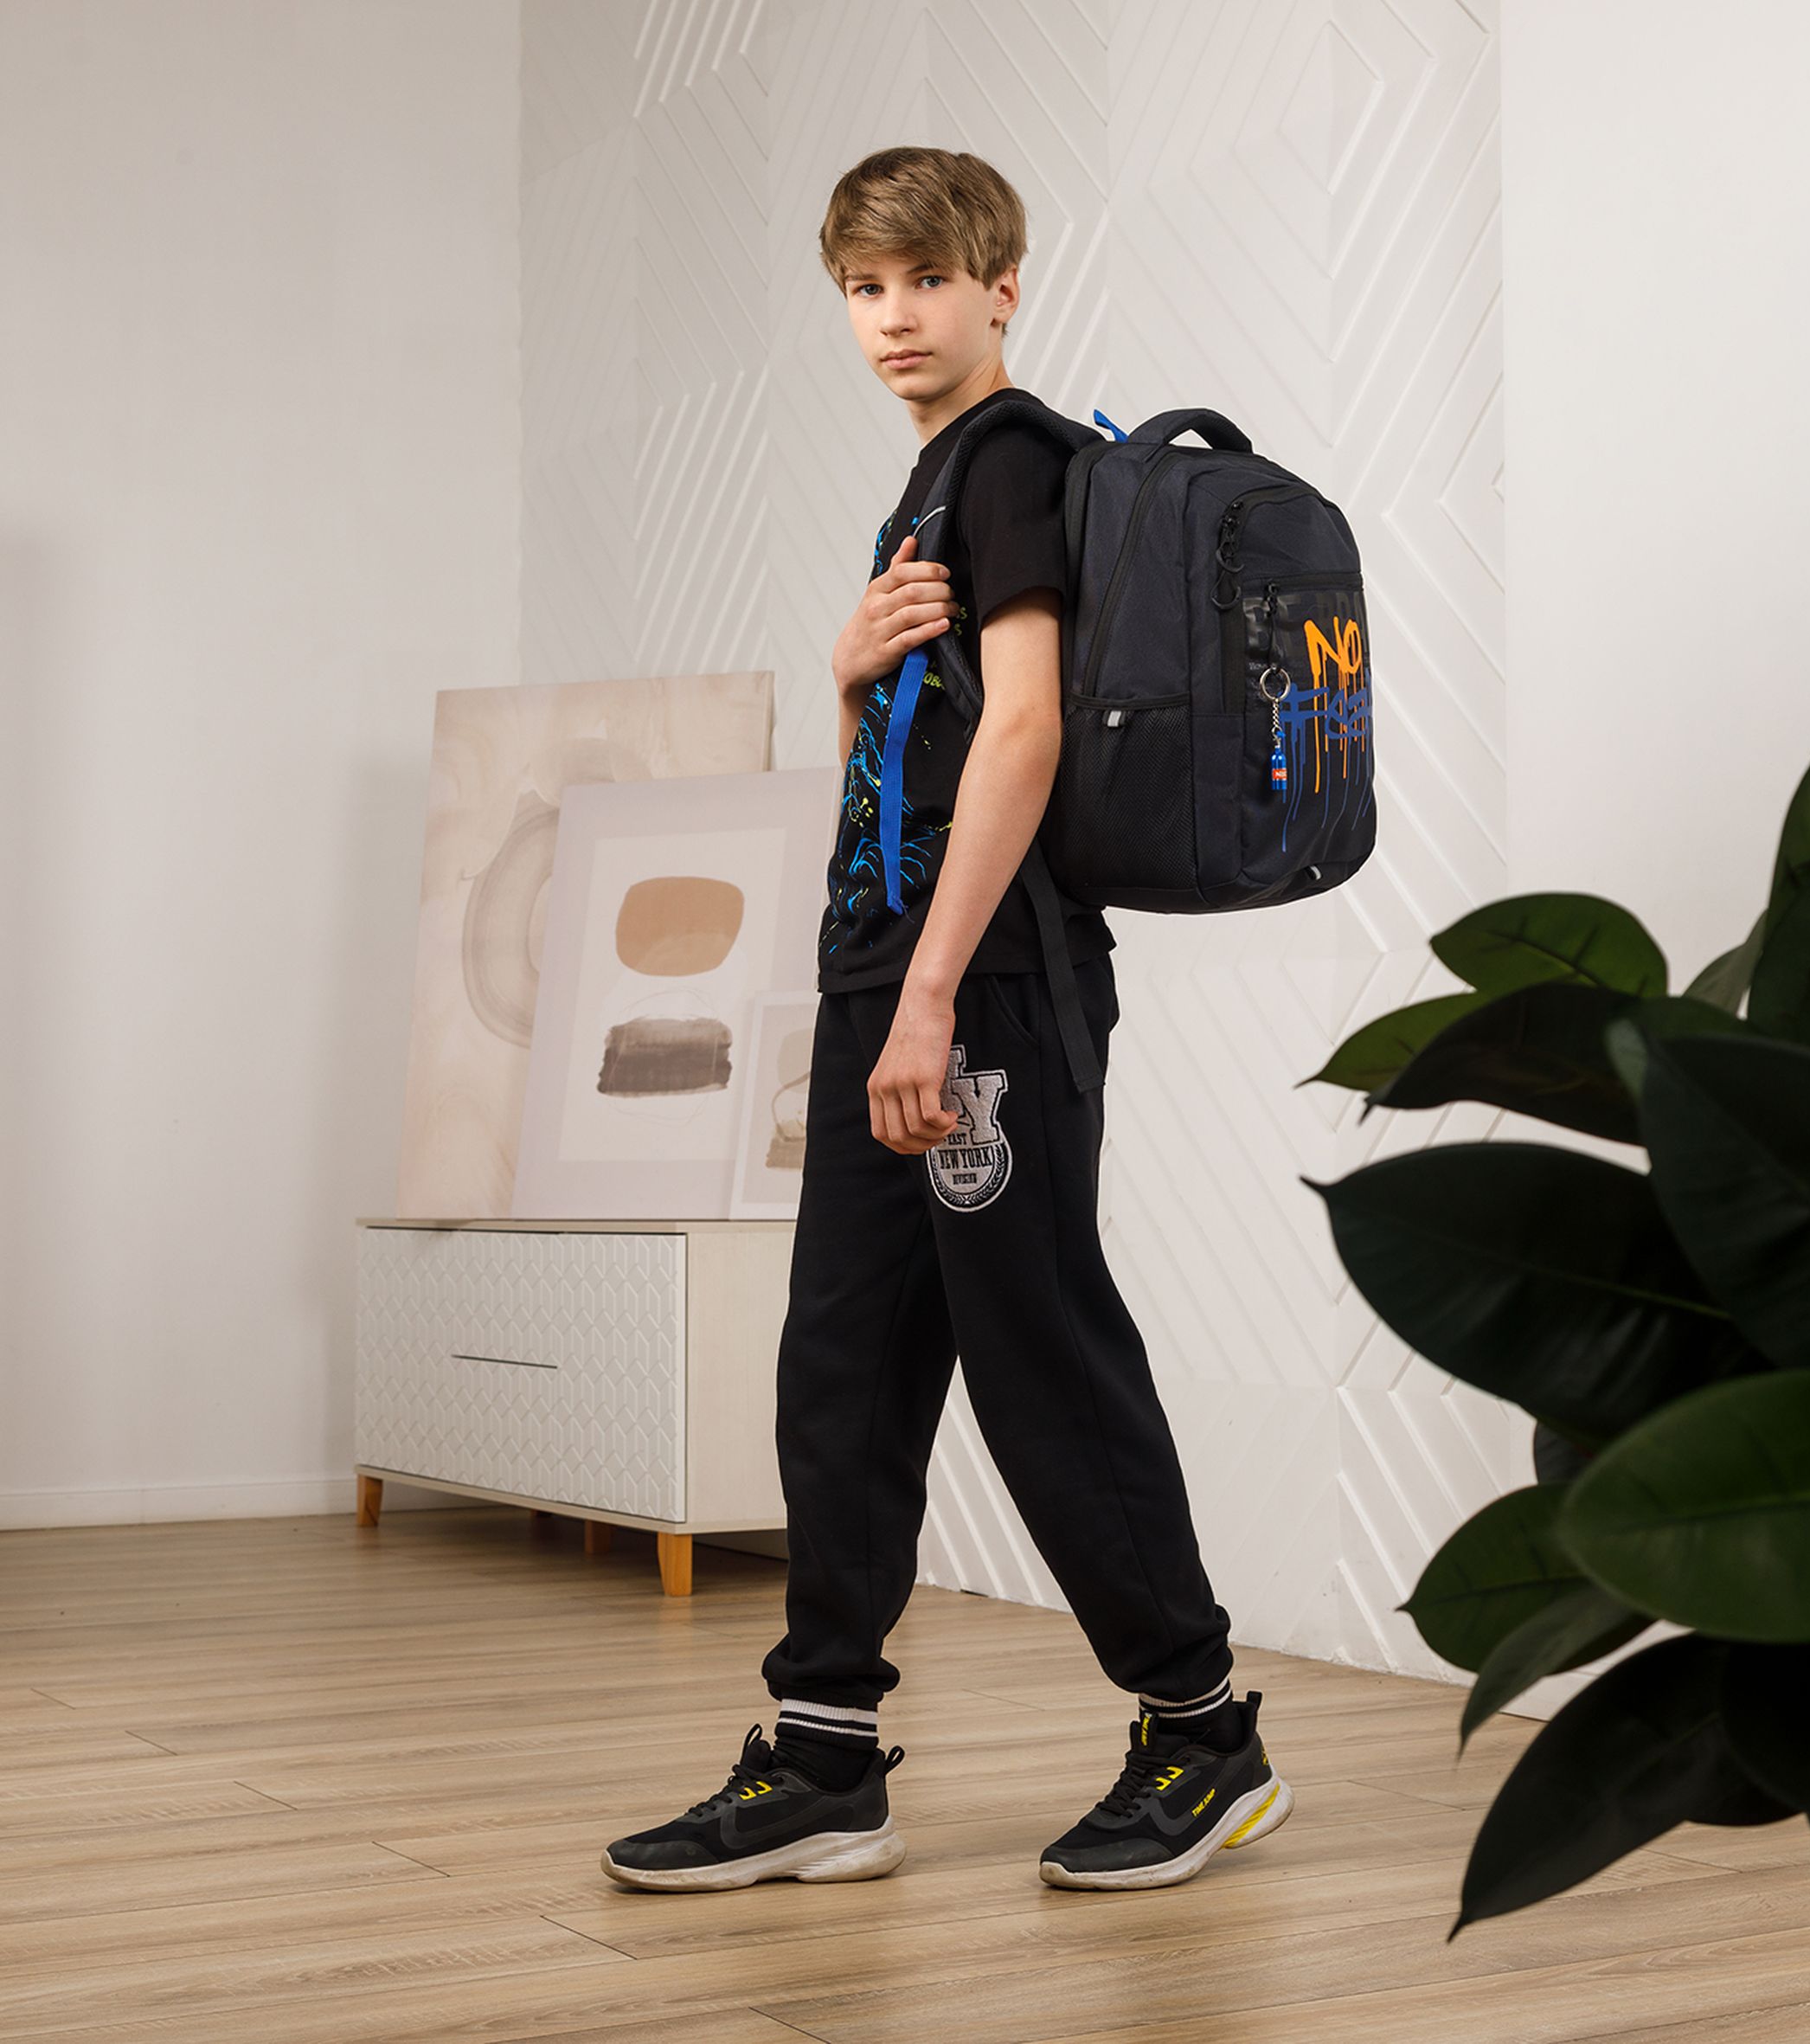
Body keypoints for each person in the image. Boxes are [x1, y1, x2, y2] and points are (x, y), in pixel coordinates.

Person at [602, 145, 1292, 1897]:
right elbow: (899, 779)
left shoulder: (1007, 462)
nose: (893, 315)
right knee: (843, 1361)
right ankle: (822, 1751)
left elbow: (1026, 732)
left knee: (1038, 1347)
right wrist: (847, 676)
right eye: (863, 286)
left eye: (925, 279)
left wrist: (925, 999)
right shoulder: (926, 488)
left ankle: (1203, 1730)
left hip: (978, 991)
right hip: (892, 983)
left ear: (1001, 286)